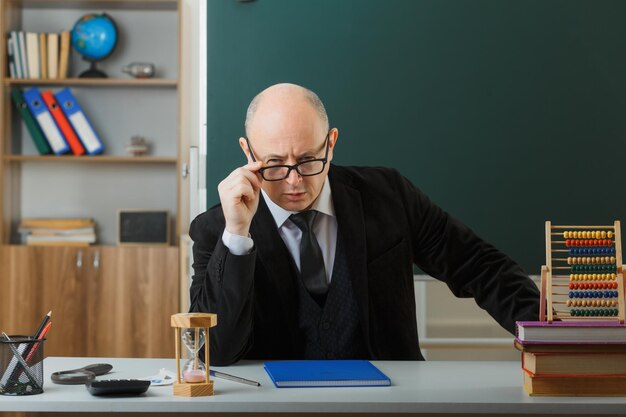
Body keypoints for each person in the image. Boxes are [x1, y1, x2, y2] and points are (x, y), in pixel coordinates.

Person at [189, 83, 540, 366]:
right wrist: (236, 236)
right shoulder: (215, 229)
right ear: (248, 153)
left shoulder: (389, 196)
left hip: (390, 404)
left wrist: (548, 337)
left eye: (309, 160)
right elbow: (212, 352)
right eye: (275, 163)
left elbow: (479, 266)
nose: (293, 181)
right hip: (277, 407)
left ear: (332, 143)